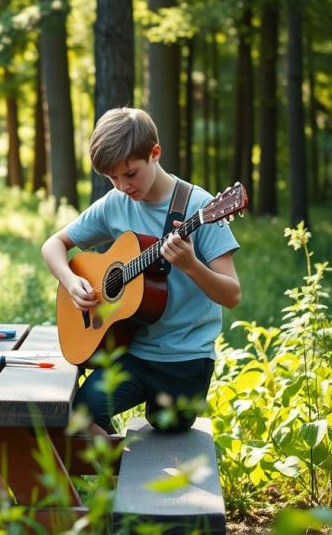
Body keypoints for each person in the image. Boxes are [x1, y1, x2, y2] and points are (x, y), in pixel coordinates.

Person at [41, 107, 241, 436]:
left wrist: (191, 266)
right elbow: (53, 245)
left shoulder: (201, 208)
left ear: (155, 153)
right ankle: (119, 476)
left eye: (130, 174)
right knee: (79, 416)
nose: (122, 185)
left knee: (170, 434)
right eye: (112, 178)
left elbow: (232, 294)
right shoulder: (115, 203)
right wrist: (71, 281)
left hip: (185, 358)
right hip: (130, 351)